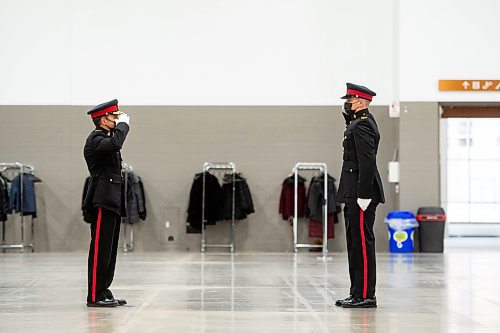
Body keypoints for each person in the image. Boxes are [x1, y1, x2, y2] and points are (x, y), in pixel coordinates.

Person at [335, 83, 385, 308]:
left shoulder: (363, 125)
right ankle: (356, 292)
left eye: (351, 100)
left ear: (362, 102)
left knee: (362, 244)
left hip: (361, 193)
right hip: (352, 191)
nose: (347, 103)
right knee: (355, 243)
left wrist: (364, 195)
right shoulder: (357, 123)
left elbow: (367, 162)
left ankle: (366, 295)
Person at [82, 99, 130, 307]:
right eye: (114, 117)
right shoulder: (96, 139)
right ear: (103, 119)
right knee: (100, 249)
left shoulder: (105, 139)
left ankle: (103, 291)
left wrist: (119, 127)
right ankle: (93, 295)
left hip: (112, 201)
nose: (117, 120)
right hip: (102, 200)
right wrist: (124, 126)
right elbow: (115, 143)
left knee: (109, 251)